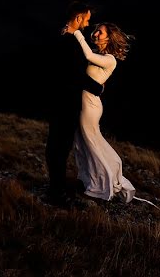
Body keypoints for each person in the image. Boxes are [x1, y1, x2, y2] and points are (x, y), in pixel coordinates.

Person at [45, 1, 106, 207]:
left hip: (57, 100)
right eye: (87, 20)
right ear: (78, 18)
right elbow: (75, 75)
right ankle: (57, 193)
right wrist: (98, 88)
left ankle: (57, 188)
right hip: (66, 103)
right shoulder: (70, 42)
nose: (88, 24)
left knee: (57, 146)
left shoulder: (62, 36)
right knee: (60, 148)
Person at [69, 22, 137, 202]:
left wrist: (76, 33)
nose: (96, 33)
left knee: (90, 142)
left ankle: (106, 181)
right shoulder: (100, 56)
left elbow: (88, 54)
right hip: (85, 102)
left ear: (109, 37)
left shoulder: (110, 59)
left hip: (90, 105)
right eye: (96, 30)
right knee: (82, 142)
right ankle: (90, 180)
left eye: (101, 31)